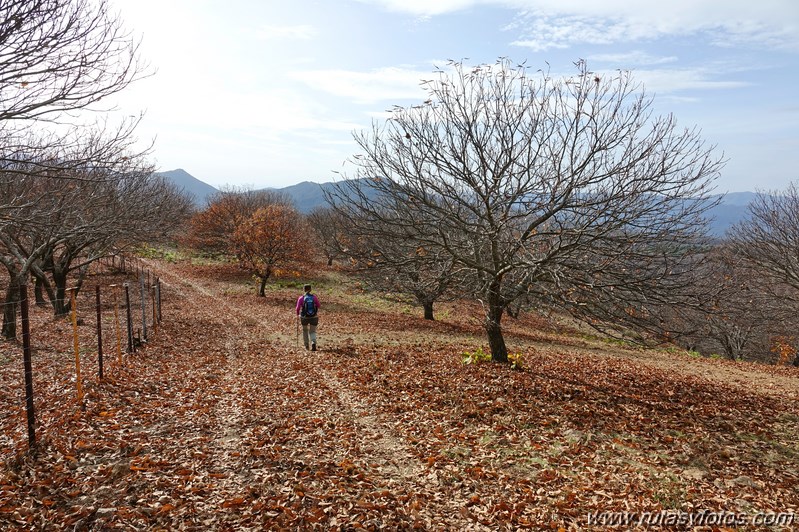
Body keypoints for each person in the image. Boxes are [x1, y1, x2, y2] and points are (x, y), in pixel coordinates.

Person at [296, 284, 320, 351]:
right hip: (314, 317)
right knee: (312, 331)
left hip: (304, 317)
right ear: (310, 289)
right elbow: (318, 305)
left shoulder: (301, 298)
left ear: (303, 289)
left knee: (305, 330)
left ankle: (306, 346)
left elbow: (297, 308)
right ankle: (313, 342)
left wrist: (298, 314)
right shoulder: (314, 297)